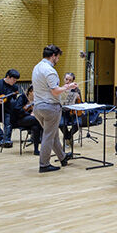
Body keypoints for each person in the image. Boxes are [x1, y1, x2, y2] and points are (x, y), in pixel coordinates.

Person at [32, 45, 77, 173]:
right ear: (53, 56)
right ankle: (44, 164)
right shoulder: (50, 70)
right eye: (57, 57)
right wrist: (68, 87)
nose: (58, 59)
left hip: (38, 107)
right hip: (50, 107)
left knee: (53, 135)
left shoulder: (37, 67)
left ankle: (62, 158)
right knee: (48, 136)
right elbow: (55, 91)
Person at [12, 85, 43, 155]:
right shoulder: (22, 97)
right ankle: (43, 140)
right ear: (30, 92)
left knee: (36, 127)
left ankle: (36, 149)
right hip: (19, 119)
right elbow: (17, 110)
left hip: (31, 121)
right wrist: (28, 114)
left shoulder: (37, 100)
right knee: (37, 120)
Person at [59, 72, 83, 146]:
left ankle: (68, 136)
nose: (68, 82)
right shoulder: (60, 90)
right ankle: (68, 137)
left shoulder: (76, 90)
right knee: (61, 124)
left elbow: (81, 103)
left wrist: (78, 98)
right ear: (64, 79)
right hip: (64, 112)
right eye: (66, 79)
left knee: (78, 123)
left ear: (72, 81)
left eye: (70, 80)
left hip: (74, 113)